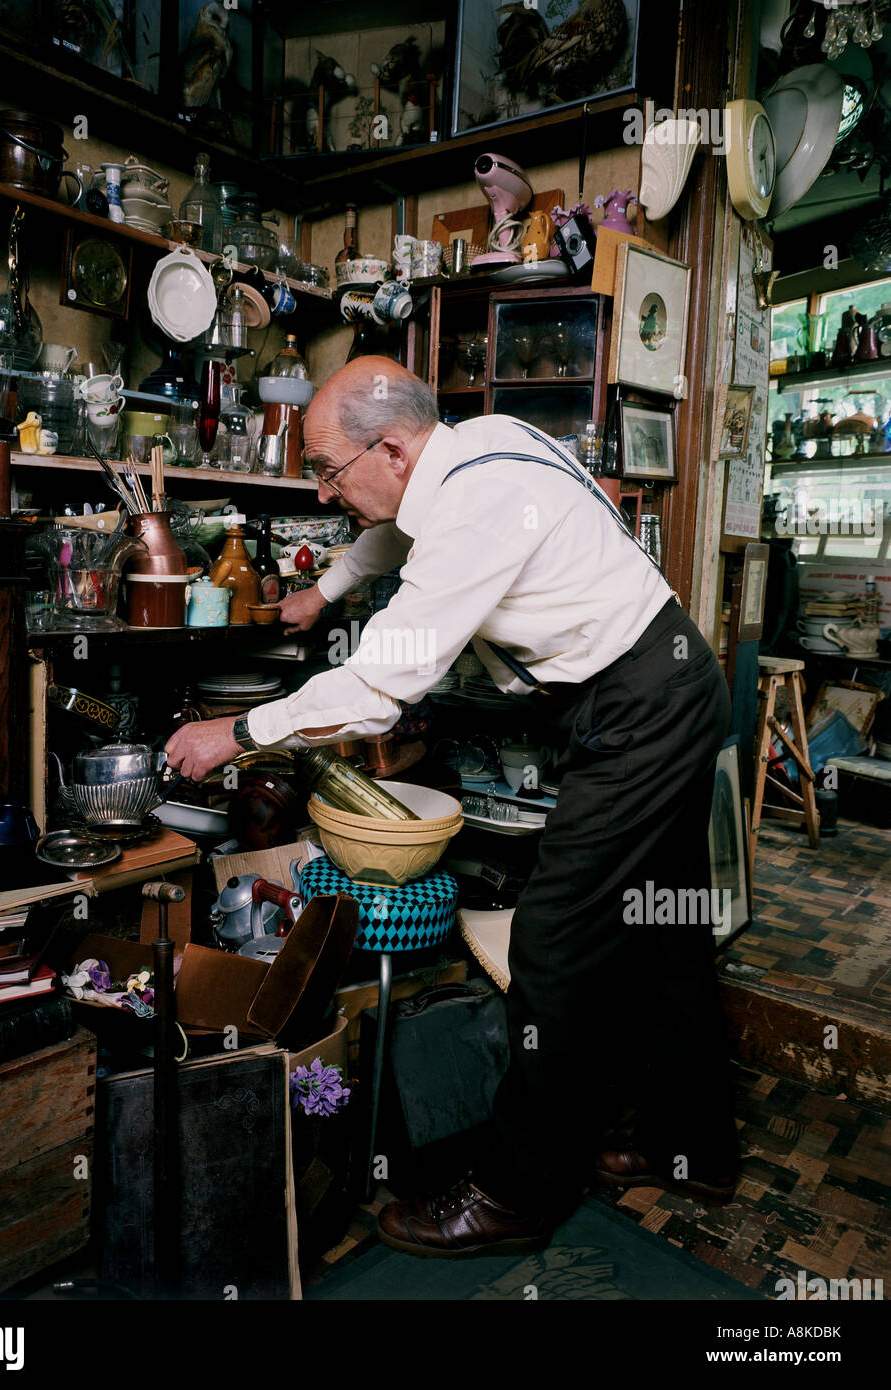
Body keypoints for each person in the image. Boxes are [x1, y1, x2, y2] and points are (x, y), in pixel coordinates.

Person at [165, 356, 738, 1259]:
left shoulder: (470, 514)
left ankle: (517, 1192)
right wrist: (326, 589)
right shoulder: (471, 448)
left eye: (327, 471)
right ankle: (695, 1145)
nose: (323, 493)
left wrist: (239, 733)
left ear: (390, 448)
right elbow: (391, 529)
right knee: (664, 927)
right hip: (669, 683)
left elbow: (376, 689)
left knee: (555, 941)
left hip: (640, 711)